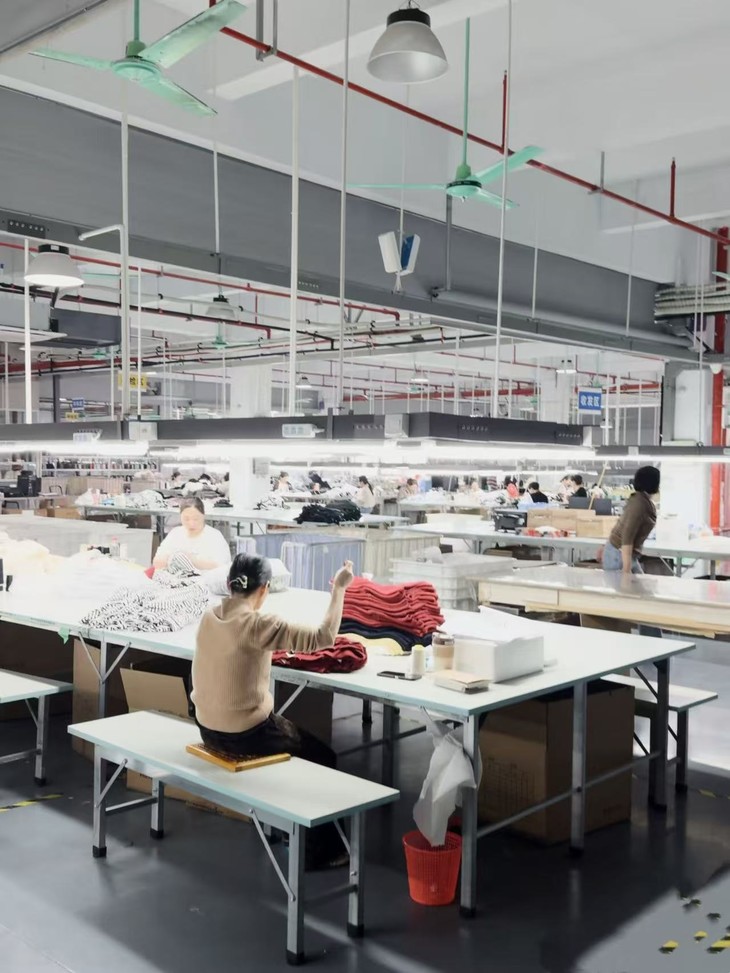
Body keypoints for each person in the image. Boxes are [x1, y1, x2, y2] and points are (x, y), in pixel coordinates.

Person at [192, 554, 355, 869]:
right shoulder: (259, 625)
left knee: (289, 738)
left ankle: (287, 829)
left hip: (207, 728)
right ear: (265, 589)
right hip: (245, 734)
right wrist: (339, 589)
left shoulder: (209, 617)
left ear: (228, 584)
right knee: (323, 757)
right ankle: (321, 853)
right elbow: (324, 637)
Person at [603, 466, 660, 574]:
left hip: (623, 554)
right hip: (619, 555)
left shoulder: (642, 500)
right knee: (629, 584)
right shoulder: (639, 504)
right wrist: (626, 571)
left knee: (639, 583)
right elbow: (627, 536)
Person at [153, 497, 231, 571]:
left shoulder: (214, 536)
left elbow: (221, 566)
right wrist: (164, 560)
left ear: (203, 516)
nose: (191, 524)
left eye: (196, 519)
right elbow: (158, 561)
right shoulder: (175, 534)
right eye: (186, 519)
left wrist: (190, 560)